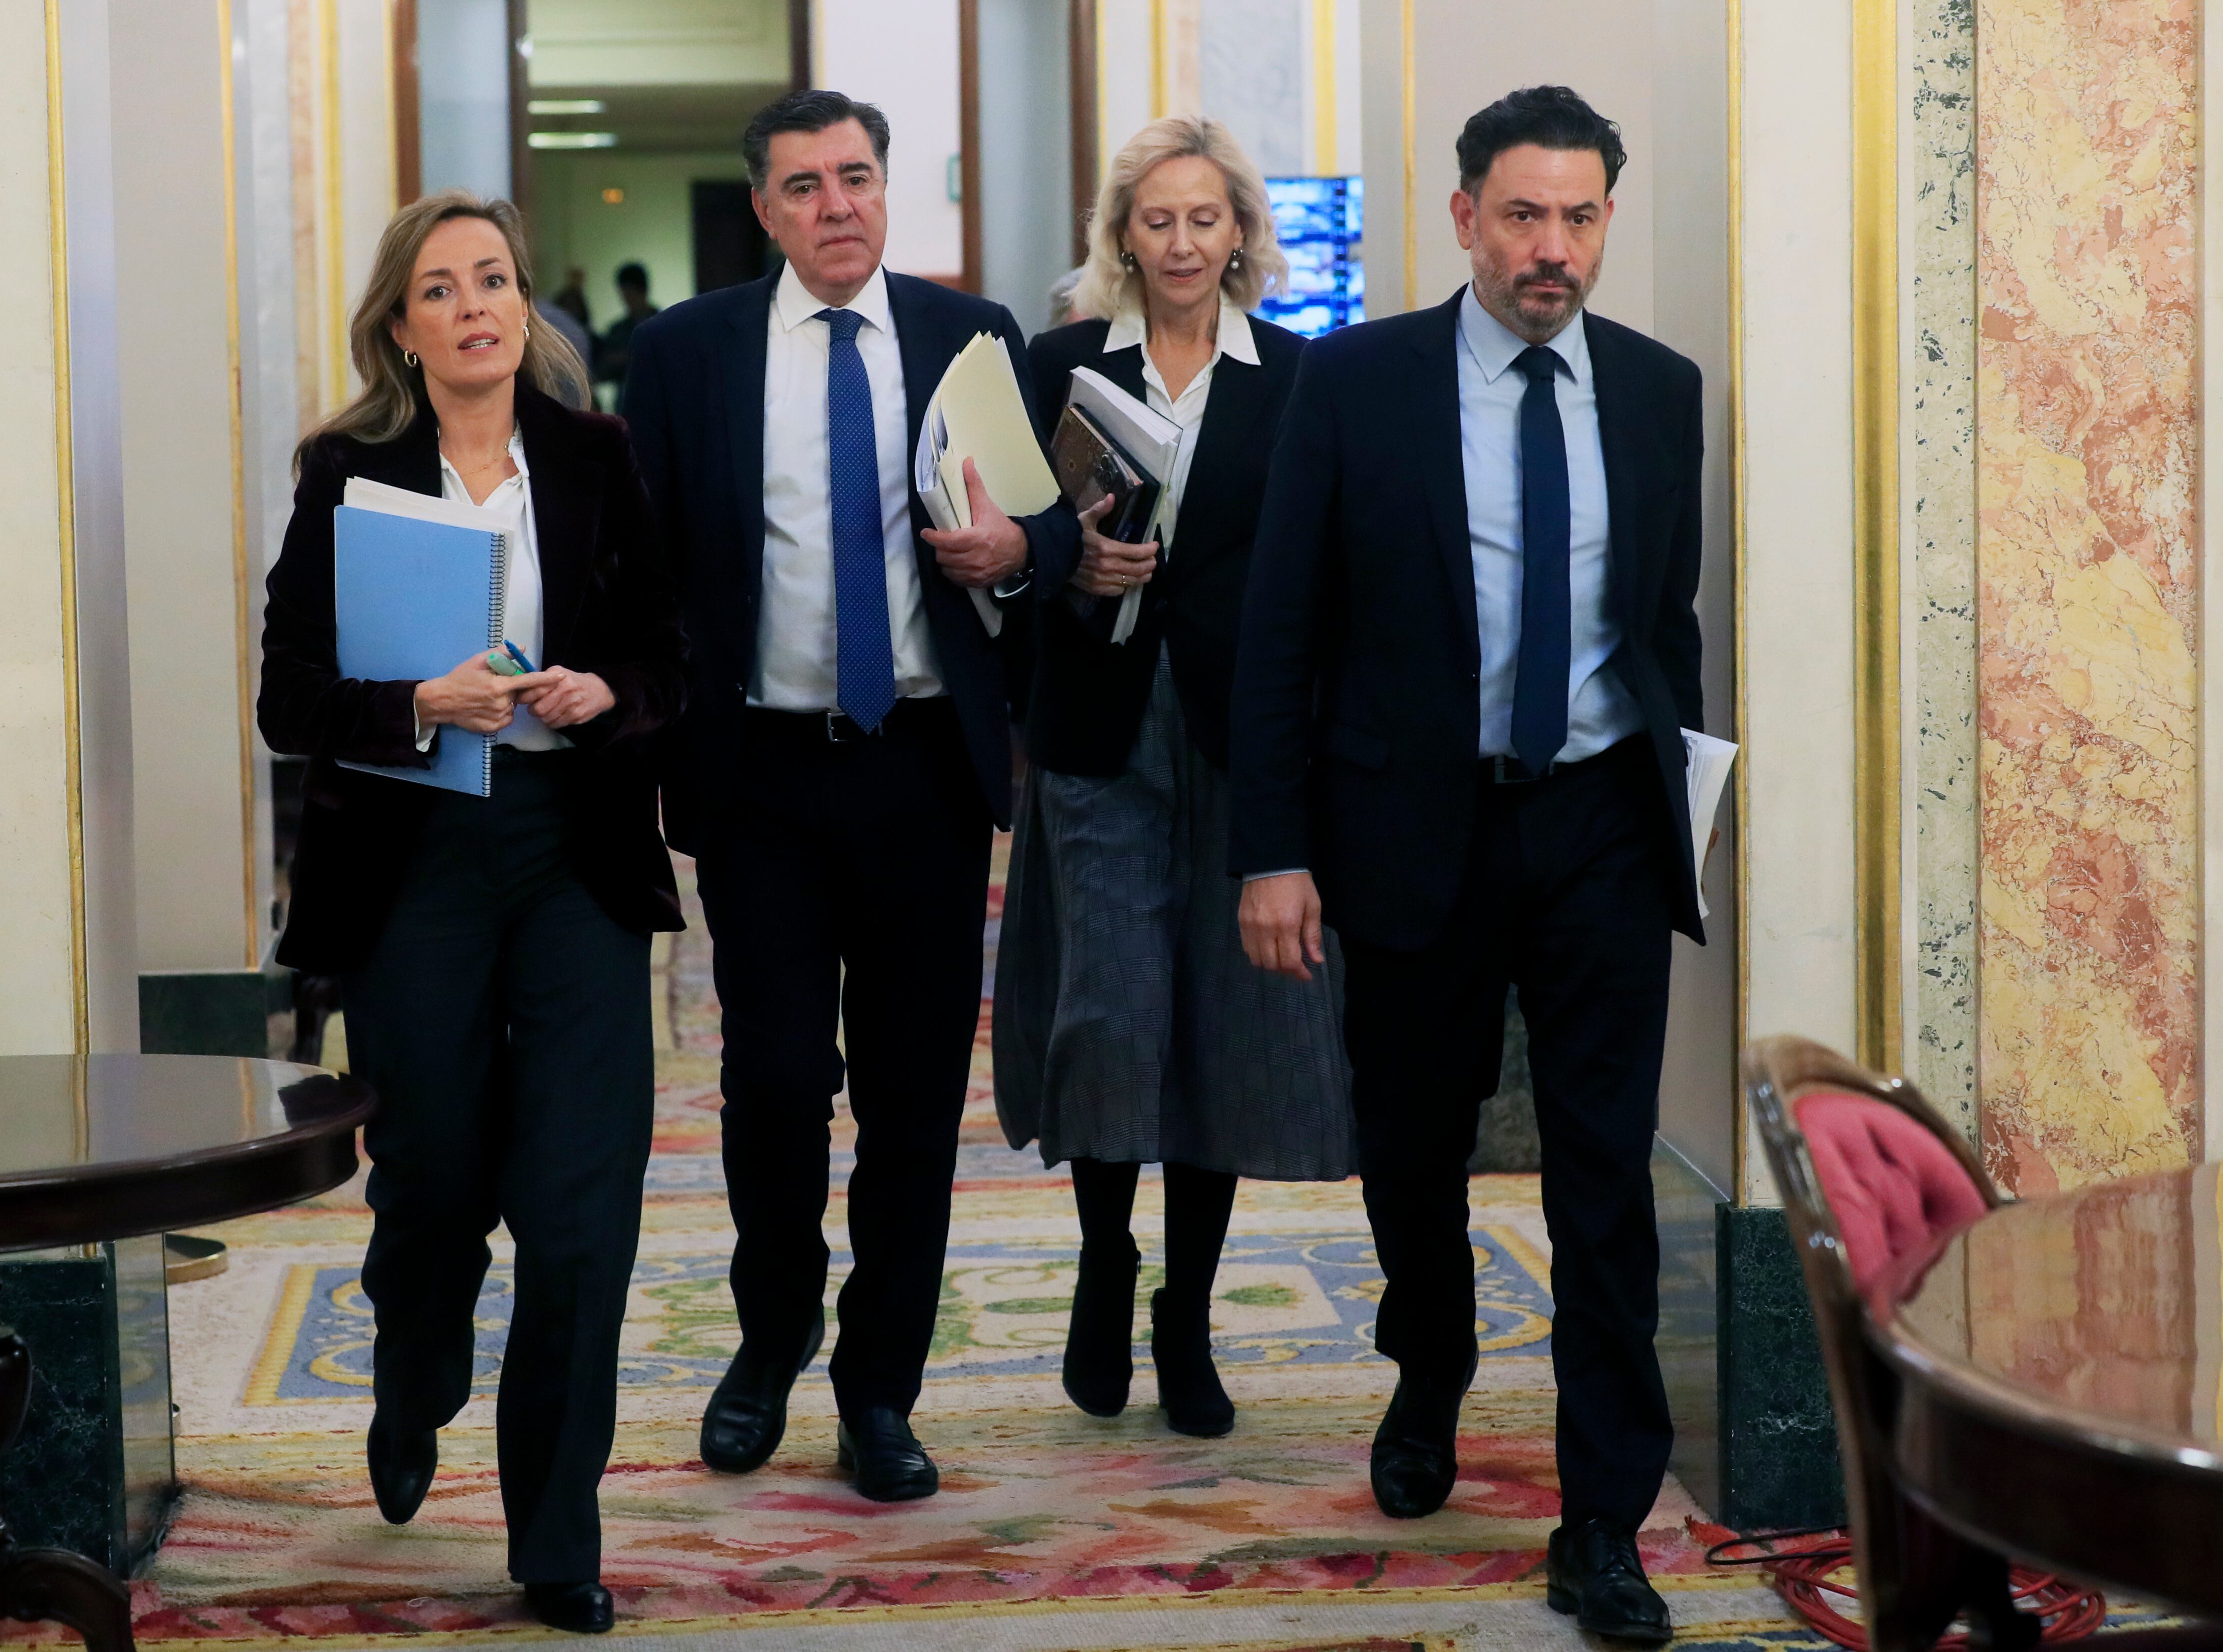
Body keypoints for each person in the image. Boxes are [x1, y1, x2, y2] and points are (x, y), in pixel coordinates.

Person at [1230, 86, 1702, 1644]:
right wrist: (1275, 851)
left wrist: (1672, 815)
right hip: (1412, 828)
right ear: (1463, 219)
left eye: (1576, 217)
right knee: (1414, 1143)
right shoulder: (1358, 383)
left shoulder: (1654, 389)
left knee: (1600, 1177)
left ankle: (1601, 1519)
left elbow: (1662, 624)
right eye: (1520, 215)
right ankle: (1428, 1357)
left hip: (1594, 835)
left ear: (1603, 223)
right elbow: (1280, 629)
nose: (1548, 249)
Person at [620, 89, 1079, 1502]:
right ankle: (767, 1343)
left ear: (889, 192)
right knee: (768, 1087)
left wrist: (1009, 549)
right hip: (756, 775)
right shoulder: (686, 354)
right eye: (806, 185)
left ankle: (880, 1386)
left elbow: (1043, 536)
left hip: (920, 773)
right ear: (762, 208)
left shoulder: (967, 335)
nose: (838, 207)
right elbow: (637, 565)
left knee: (907, 1099)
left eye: (859, 178)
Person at [257, 191, 688, 1634]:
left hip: (570, 848)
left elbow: (664, 652)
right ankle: (414, 1359)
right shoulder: (347, 471)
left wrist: (607, 690)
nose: (473, 306)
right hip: (415, 857)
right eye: (438, 289)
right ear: (402, 325)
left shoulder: (593, 454)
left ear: (525, 308)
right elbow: (288, 698)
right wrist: (412, 703)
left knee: (579, 1215)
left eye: (492, 280)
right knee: (434, 1180)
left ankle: (554, 1534)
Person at [993, 115, 1350, 1440]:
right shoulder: (1060, 364)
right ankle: (1104, 1260)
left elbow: (1317, 581)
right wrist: (1071, 572)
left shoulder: (1299, 380)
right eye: (1158, 220)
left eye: (1206, 218)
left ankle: (1184, 1316)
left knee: (1213, 1021)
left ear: (1240, 234)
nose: (1183, 242)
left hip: (1239, 739)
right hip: (1095, 729)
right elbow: (1016, 555)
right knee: (1111, 1011)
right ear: (1122, 238)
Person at [592, 261, 655, 396]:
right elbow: (603, 371)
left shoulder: (660, 324)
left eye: (630, 293)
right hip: (626, 400)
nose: (626, 298)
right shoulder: (618, 330)